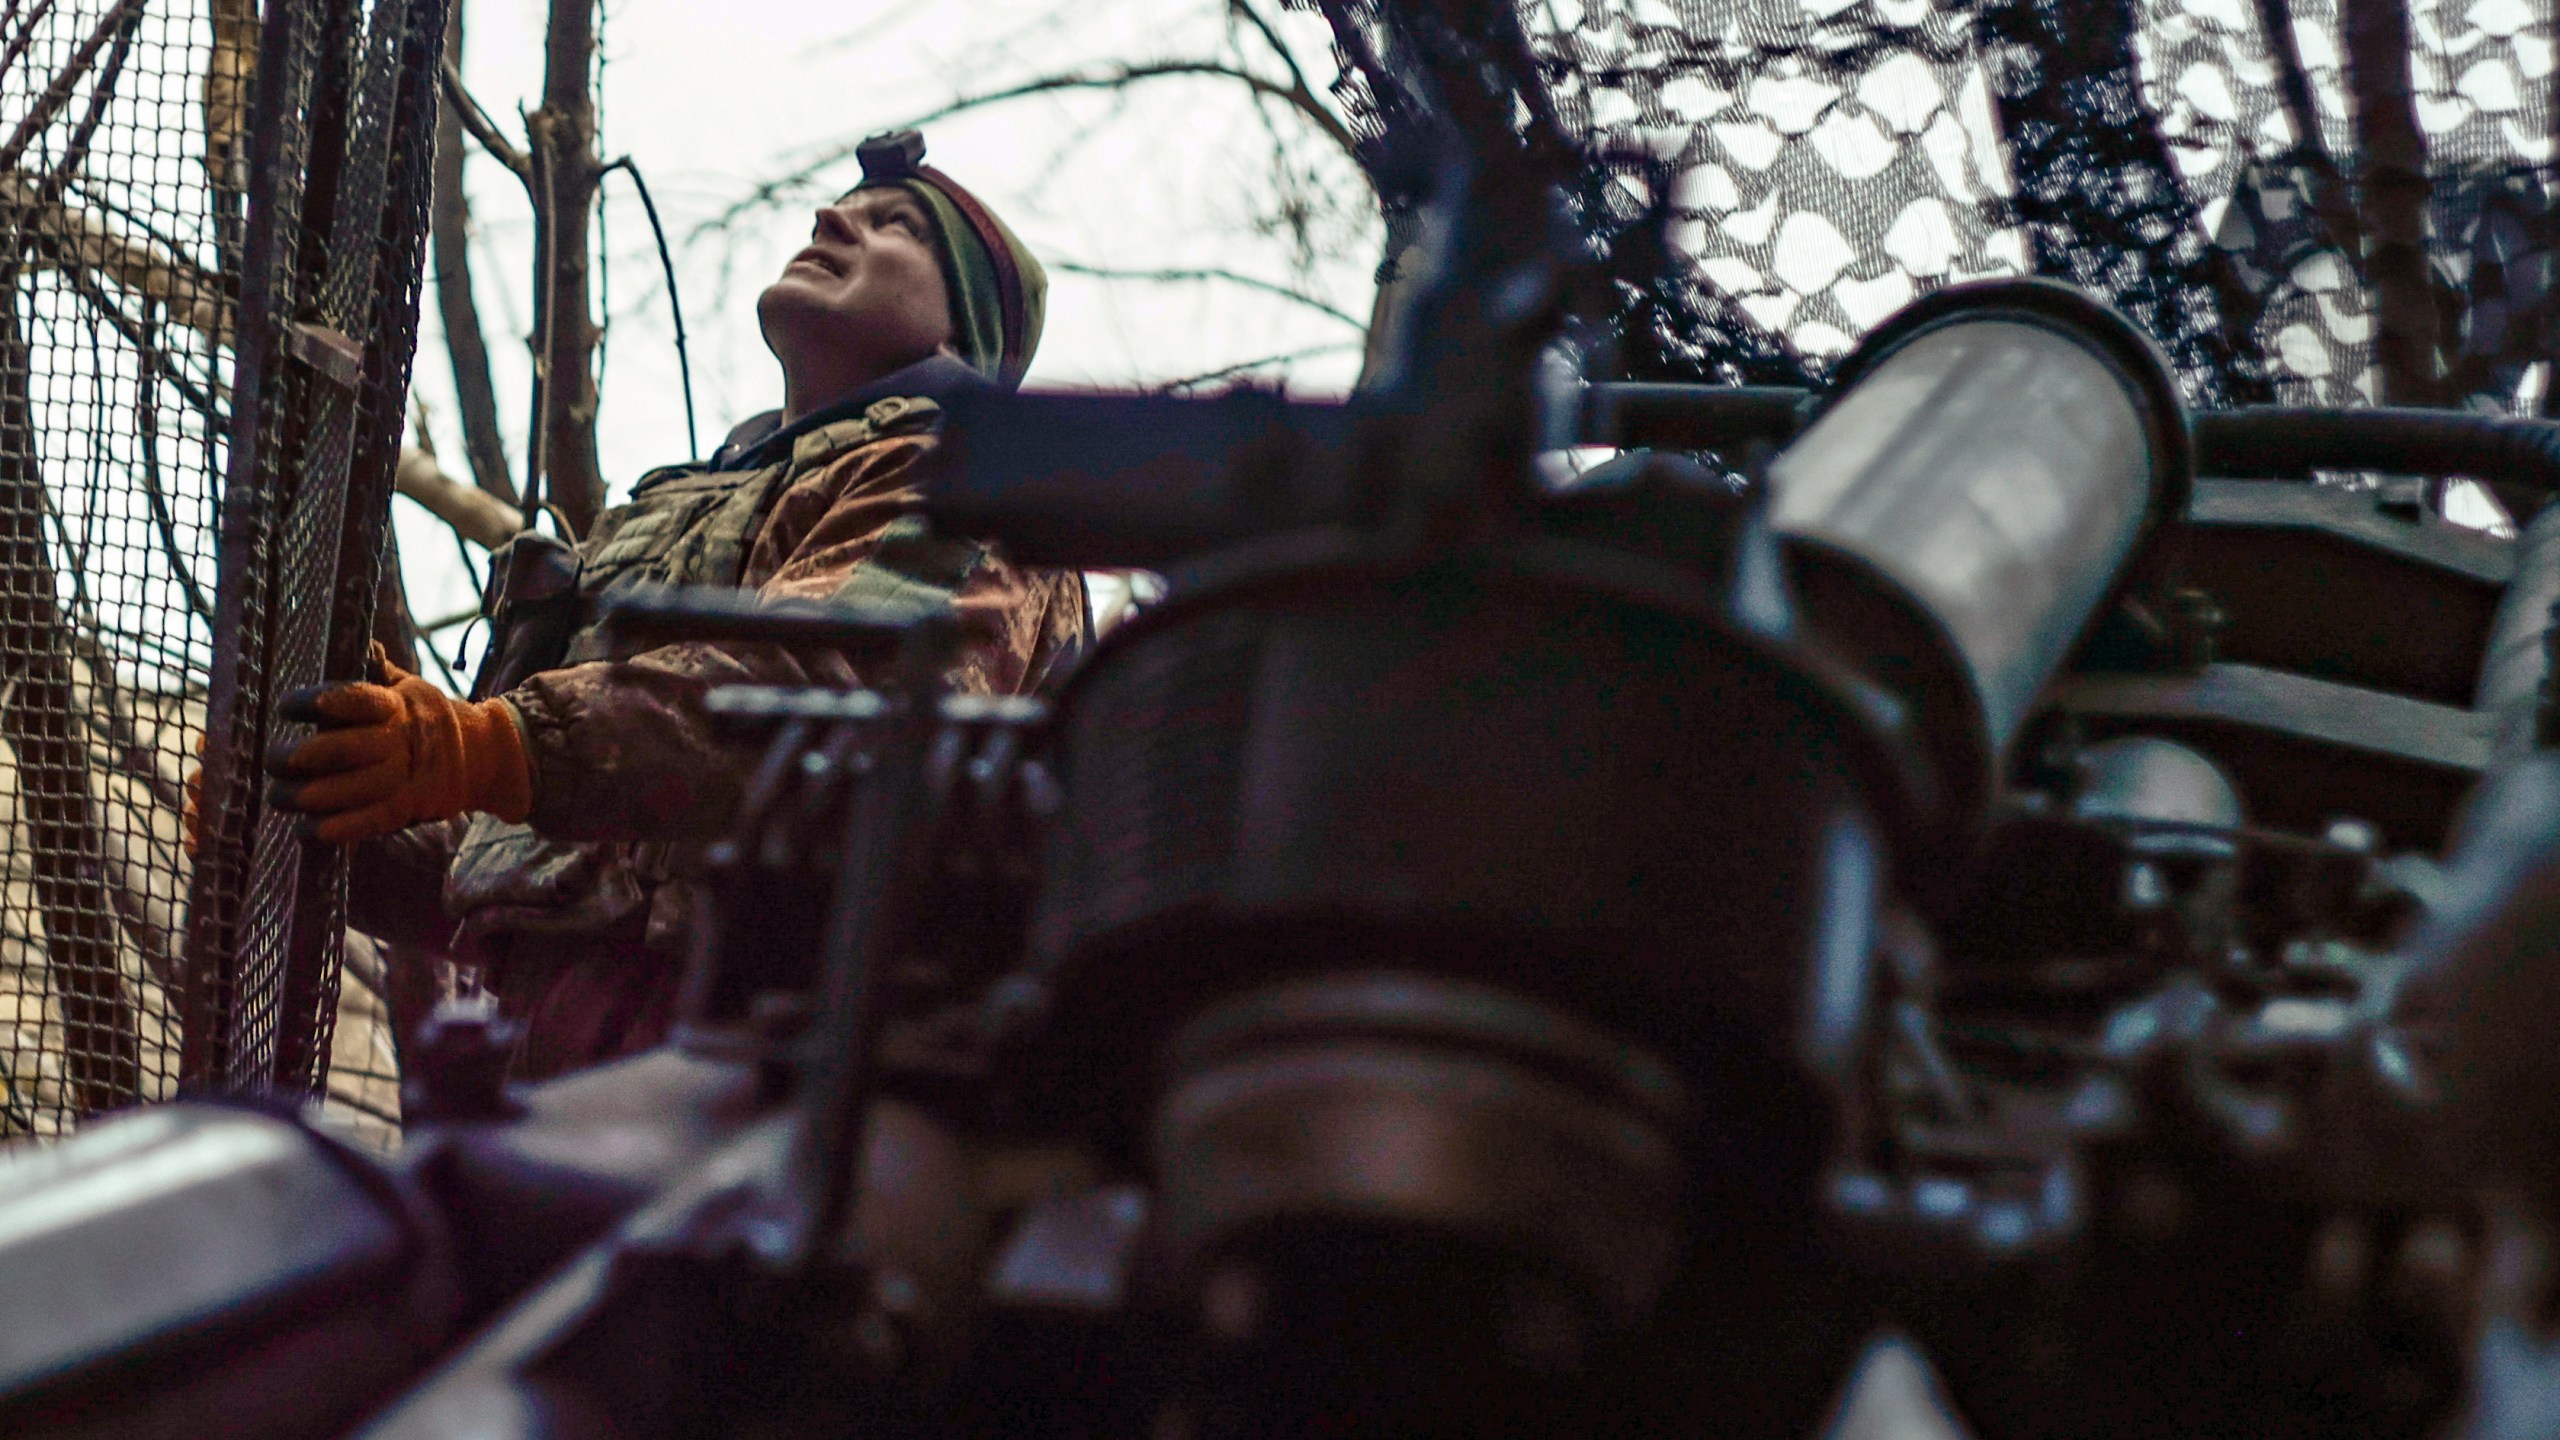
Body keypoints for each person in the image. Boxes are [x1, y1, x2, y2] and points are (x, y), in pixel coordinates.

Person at [258, 130, 1088, 1079]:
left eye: (891, 225)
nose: (828, 220)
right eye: (838, 211)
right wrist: (329, 806)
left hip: (800, 1065)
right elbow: (540, 848)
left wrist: (484, 745)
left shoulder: (969, 481)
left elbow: (831, 705)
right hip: (573, 1063)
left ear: (962, 332)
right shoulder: (692, 502)